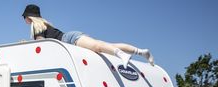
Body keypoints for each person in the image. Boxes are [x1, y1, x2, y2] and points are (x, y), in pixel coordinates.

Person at [22, 4, 154, 68]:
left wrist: (25, 44)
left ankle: (122, 55)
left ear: (29, 17)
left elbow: (42, 45)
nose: (24, 20)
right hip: (71, 38)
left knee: (98, 47)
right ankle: (141, 52)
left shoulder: (36, 27)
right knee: (108, 46)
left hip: (70, 39)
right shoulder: (44, 24)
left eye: (25, 18)